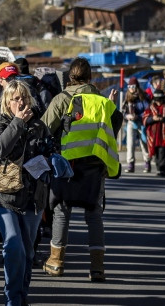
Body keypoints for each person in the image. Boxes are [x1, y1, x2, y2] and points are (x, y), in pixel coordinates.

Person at [42, 56, 122, 282]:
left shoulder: (61, 99)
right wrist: (111, 104)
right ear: (90, 77)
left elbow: (44, 129)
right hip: (95, 167)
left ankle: (56, 262)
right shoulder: (103, 102)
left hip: (67, 166)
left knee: (61, 212)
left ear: (70, 77)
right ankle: (97, 268)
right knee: (94, 215)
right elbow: (114, 128)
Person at [0, 79, 53, 306]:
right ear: (7, 101)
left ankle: (21, 295)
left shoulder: (38, 125)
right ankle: (13, 299)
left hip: (33, 196)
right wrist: (17, 123)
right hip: (3, 195)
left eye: (24, 97)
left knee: (27, 252)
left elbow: (48, 151)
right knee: (13, 245)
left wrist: (51, 157)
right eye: (16, 98)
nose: (21, 102)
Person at [143, 75, 165, 176]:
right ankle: (158, 167)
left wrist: (163, 119)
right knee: (156, 153)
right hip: (153, 135)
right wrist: (152, 119)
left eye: (160, 99)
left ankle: (162, 169)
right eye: (156, 99)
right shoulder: (150, 108)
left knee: (162, 152)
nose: (158, 102)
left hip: (164, 135)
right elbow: (145, 119)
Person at [120, 79, 149, 173]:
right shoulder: (127, 96)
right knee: (130, 144)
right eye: (129, 87)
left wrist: (138, 116)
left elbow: (147, 110)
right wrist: (127, 116)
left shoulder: (142, 97)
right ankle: (130, 164)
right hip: (131, 123)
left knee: (144, 143)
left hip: (141, 123)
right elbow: (123, 111)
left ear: (137, 86)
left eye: (133, 86)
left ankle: (147, 162)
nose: (131, 89)